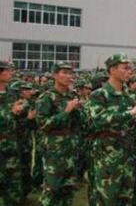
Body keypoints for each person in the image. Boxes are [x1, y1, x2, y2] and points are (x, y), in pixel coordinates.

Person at [87, 53, 136, 205]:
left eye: (130, 68)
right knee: (107, 197)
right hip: (107, 155)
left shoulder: (128, 95)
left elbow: (132, 125)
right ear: (112, 70)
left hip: (127, 154)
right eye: (125, 68)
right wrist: (131, 113)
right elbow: (99, 120)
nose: (130, 71)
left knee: (126, 196)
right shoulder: (99, 95)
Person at [35, 61, 82, 205]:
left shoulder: (72, 96)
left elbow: (79, 124)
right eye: (64, 72)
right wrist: (65, 112)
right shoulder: (46, 98)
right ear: (55, 75)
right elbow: (43, 125)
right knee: (52, 189)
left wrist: (78, 111)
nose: (68, 76)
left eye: (70, 73)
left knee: (68, 189)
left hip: (70, 148)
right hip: (54, 150)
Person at [0, 60, 25, 205]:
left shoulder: (12, 93)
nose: (11, 73)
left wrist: (24, 112)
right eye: (7, 71)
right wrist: (10, 112)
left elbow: (22, 112)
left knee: (13, 184)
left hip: (11, 143)